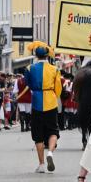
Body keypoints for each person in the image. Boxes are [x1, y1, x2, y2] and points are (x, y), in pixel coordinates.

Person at [24, 43, 62, 173]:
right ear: (47, 55)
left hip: (37, 102)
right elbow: (58, 88)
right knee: (53, 130)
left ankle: (41, 165)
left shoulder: (29, 68)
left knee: (38, 134)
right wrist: (54, 96)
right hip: (50, 101)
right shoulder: (55, 69)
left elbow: (28, 84)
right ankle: (50, 152)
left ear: (36, 55)